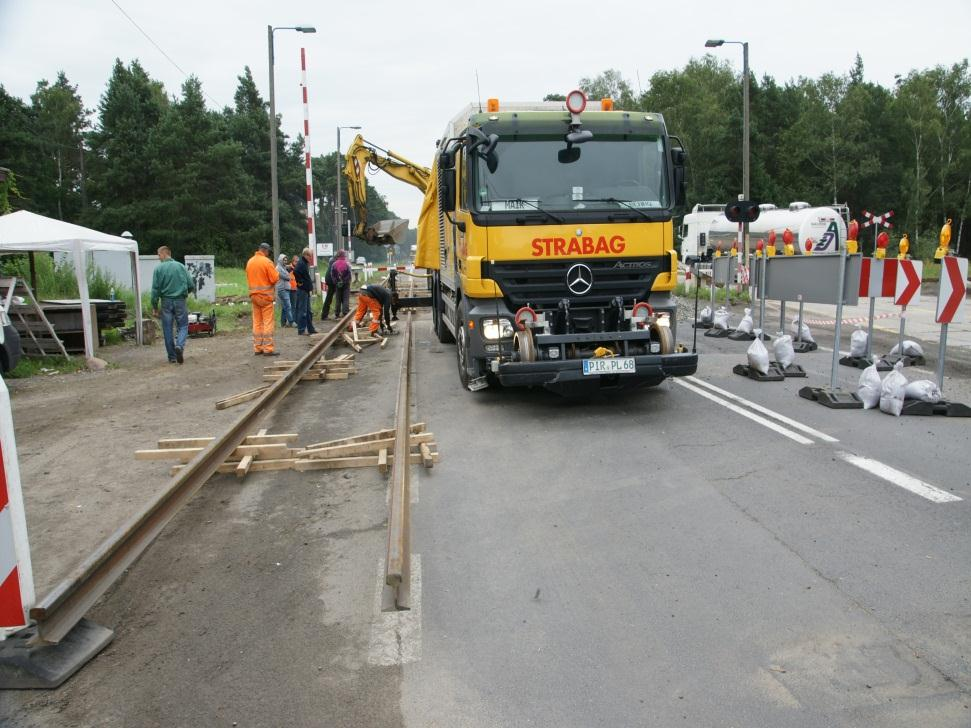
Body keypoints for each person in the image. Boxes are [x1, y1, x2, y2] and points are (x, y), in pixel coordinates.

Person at [150, 245, 194, 364]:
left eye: (159, 255)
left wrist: (154, 306)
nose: (158, 258)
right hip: (180, 300)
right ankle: (179, 345)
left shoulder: (158, 269)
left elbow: (155, 290)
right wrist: (184, 293)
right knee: (183, 326)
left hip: (166, 302)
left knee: (167, 328)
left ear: (164, 254)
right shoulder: (181, 266)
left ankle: (172, 357)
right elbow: (191, 285)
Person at [246, 242, 280, 355]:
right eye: (268, 251)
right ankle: (268, 348)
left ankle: (258, 348)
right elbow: (275, 278)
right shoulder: (267, 262)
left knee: (257, 322)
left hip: (254, 296)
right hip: (265, 297)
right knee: (267, 322)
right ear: (265, 251)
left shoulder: (250, 262)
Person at [293, 247, 318, 335]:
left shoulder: (304, 263)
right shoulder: (301, 263)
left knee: (308, 312)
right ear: (306, 255)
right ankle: (301, 330)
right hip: (302, 290)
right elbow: (295, 271)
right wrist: (300, 282)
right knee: (303, 311)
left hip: (305, 290)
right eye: (310, 256)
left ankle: (310, 329)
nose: (311, 258)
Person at [275, 254, 294, 327]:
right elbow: (287, 277)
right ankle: (291, 322)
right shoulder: (278, 268)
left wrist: (289, 267)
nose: (285, 261)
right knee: (288, 306)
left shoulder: (283, 267)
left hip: (285, 288)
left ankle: (283, 322)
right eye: (284, 260)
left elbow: (287, 267)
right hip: (282, 289)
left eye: (286, 260)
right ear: (280, 260)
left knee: (284, 307)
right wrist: (289, 271)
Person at [320, 253, 337, 320]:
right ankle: (325, 315)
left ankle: (324, 314)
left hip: (329, 280)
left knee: (329, 298)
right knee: (332, 298)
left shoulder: (332, 261)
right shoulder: (335, 262)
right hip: (332, 281)